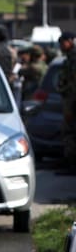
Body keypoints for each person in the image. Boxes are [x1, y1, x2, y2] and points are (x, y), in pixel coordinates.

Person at [57, 31, 76, 174]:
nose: (61, 46)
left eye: (62, 42)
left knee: (70, 133)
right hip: (69, 100)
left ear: (70, 41)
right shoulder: (70, 58)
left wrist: (71, 105)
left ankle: (72, 165)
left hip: (72, 101)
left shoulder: (73, 58)